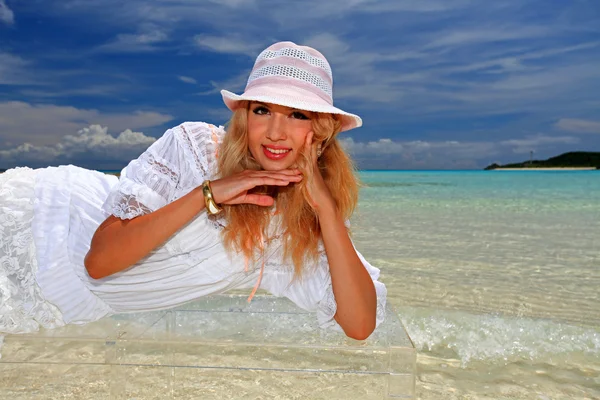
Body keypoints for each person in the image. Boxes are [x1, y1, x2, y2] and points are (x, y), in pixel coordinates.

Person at [0, 41, 387, 341]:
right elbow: (98, 262)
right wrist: (208, 194)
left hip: (66, 299)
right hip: (37, 223)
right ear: (245, 115)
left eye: (297, 115)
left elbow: (359, 325)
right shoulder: (195, 149)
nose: (275, 132)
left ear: (320, 131)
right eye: (262, 110)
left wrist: (327, 212)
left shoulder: (298, 227)